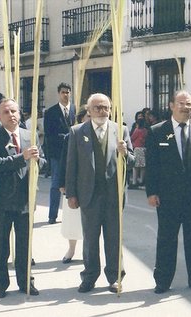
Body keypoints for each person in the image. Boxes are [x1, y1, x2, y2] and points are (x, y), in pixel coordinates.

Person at [145, 90, 191, 294]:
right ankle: (163, 281)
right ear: (171, 105)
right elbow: (152, 165)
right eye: (181, 103)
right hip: (167, 196)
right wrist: (151, 192)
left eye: (189, 104)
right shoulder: (157, 131)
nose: (186, 107)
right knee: (167, 239)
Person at [65, 93, 135, 294]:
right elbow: (72, 165)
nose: (102, 111)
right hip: (89, 194)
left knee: (114, 238)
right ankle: (89, 276)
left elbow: (133, 162)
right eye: (98, 108)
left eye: (106, 107)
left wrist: (125, 153)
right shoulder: (77, 131)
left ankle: (115, 277)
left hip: (113, 194)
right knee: (90, 238)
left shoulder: (121, 131)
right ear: (89, 110)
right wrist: (71, 193)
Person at [0, 98, 45, 298]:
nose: (11, 115)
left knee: (24, 244)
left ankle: (26, 281)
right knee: (0, 244)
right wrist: (22, 157)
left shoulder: (30, 134)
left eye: (14, 111)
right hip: (2, 198)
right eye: (6, 112)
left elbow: (41, 161)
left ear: (20, 114)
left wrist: (37, 160)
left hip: (25, 198)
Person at [58, 107, 89, 264]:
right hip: (74, 183)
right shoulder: (72, 134)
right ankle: (71, 249)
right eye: (87, 116)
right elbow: (64, 162)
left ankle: (89, 252)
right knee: (72, 219)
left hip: (93, 186)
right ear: (81, 118)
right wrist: (62, 183)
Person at [44, 82, 76, 224]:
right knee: (56, 183)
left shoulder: (75, 110)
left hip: (75, 152)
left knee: (74, 183)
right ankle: (52, 215)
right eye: (63, 92)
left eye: (68, 92)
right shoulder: (51, 112)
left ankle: (73, 216)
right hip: (58, 153)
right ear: (58, 93)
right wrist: (66, 137)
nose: (65, 95)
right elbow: (48, 135)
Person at [129, 116, 148, 189]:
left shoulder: (137, 130)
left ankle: (134, 181)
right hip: (143, 148)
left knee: (135, 166)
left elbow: (132, 138)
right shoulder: (145, 130)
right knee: (143, 166)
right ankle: (141, 180)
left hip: (137, 148)